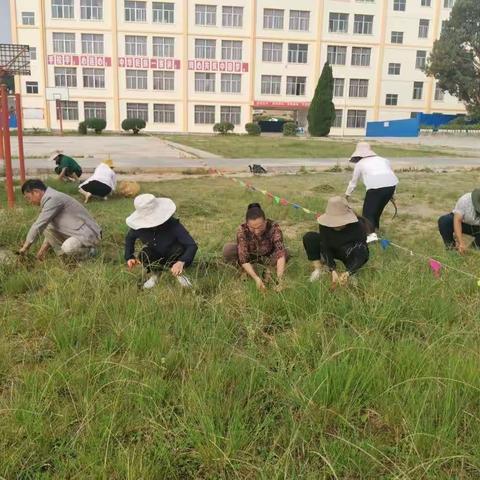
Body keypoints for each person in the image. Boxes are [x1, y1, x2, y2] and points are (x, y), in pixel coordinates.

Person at [124, 194, 198, 289]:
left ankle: (179, 274)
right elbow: (129, 238)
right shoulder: (138, 227)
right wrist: (129, 257)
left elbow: (192, 245)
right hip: (154, 256)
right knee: (144, 253)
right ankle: (156, 274)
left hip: (174, 255)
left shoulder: (172, 224)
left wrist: (181, 262)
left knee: (178, 248)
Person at [18, 179, 102, 260]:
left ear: (36, 192)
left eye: (28, 198)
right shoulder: (50, 199)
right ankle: (64, 257)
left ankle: (91, 252)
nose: (29, 202)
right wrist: (41, 253)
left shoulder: (53, 199)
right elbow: (49, 229)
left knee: (68, 248)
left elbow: (38, 225)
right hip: (76, 232)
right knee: (47, 227)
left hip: (87, 234)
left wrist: (25, 247)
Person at [303, 196, 369, 287]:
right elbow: (325, 245)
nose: (336, 225)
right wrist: (332, 269)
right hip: (332, 248)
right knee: (310, 237)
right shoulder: (324, 224)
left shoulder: (359, 225)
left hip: (348, 251)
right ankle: (319, 269)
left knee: (358, 250)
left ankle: (351, 274)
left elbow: (362, 252)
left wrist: (349, 272)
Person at [223, 203, 288, 291]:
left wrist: (280, 280)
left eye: (260, 227)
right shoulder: (242, 230)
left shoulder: (274, 227)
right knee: (228, 249)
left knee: (285, 252)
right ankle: (244, 271)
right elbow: (243, 258)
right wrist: (256, 278)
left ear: (265, 222)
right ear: (247, 224)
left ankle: (269, 271)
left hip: (268, 256)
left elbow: (280, 254)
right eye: (253, 228)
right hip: (250, 256)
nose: (257, 231)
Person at [345, 141, 398, 243]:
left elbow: (353, 182)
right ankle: (375, 230)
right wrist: (392, 194)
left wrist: (347, 194)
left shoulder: (360, 164)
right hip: (391, 186)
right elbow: (391, 174)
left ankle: (371, 237)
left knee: (367, 213)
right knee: (377, 210)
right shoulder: (384, 160)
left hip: (375, 187)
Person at [438, 189, 480, 254]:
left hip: (478, 228)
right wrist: (461, 242)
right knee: (444, 221)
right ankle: (451, 248)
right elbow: (457, 220)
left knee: (474, 249)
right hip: (463, 223)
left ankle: (472, 250)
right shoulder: (466, 199)